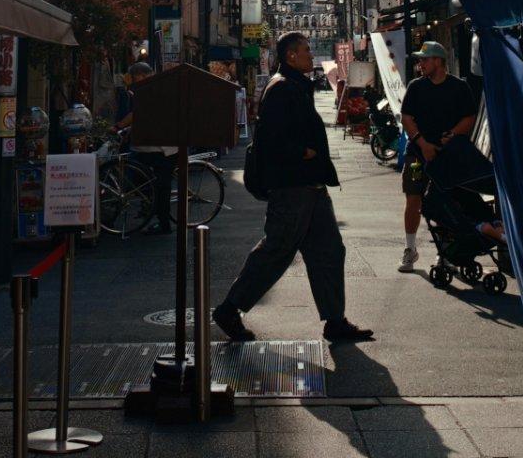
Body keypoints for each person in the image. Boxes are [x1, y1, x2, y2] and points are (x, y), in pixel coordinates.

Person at [213, 32, 373, 344]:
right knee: (277, 250)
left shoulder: (293, 85)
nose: (311, 56)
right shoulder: (282, 87)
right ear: (290, 56)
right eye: (305, 51)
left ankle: (335, 320)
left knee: (328, 250)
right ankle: (230, 308)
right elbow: (271, 138)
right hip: (292, 185)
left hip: (310, 185)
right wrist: (304, 152)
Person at [398, 41, 479, 271]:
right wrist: (422, 144)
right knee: (413, 197)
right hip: (416, 155)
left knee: (445, 202)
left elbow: (469, 117)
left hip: (446, 157)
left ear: (438, 61)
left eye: (424, 59)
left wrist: (453, 135)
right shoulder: (416, 87)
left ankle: (444, 252)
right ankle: (410, 249)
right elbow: (406, 118)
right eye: (420, 60)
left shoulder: (459, 88)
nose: (420, 64)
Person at [125, 59, 176, 236]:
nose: (132, 81)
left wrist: (118, 126)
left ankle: (163, 223)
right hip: (159, 146)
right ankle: (155, 215)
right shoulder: (157, 86)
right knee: (155, 185)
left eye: (133, 77)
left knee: (158, 186)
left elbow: (137, 113)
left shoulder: (149, 89)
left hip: (160, 147)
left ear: (141, 75)